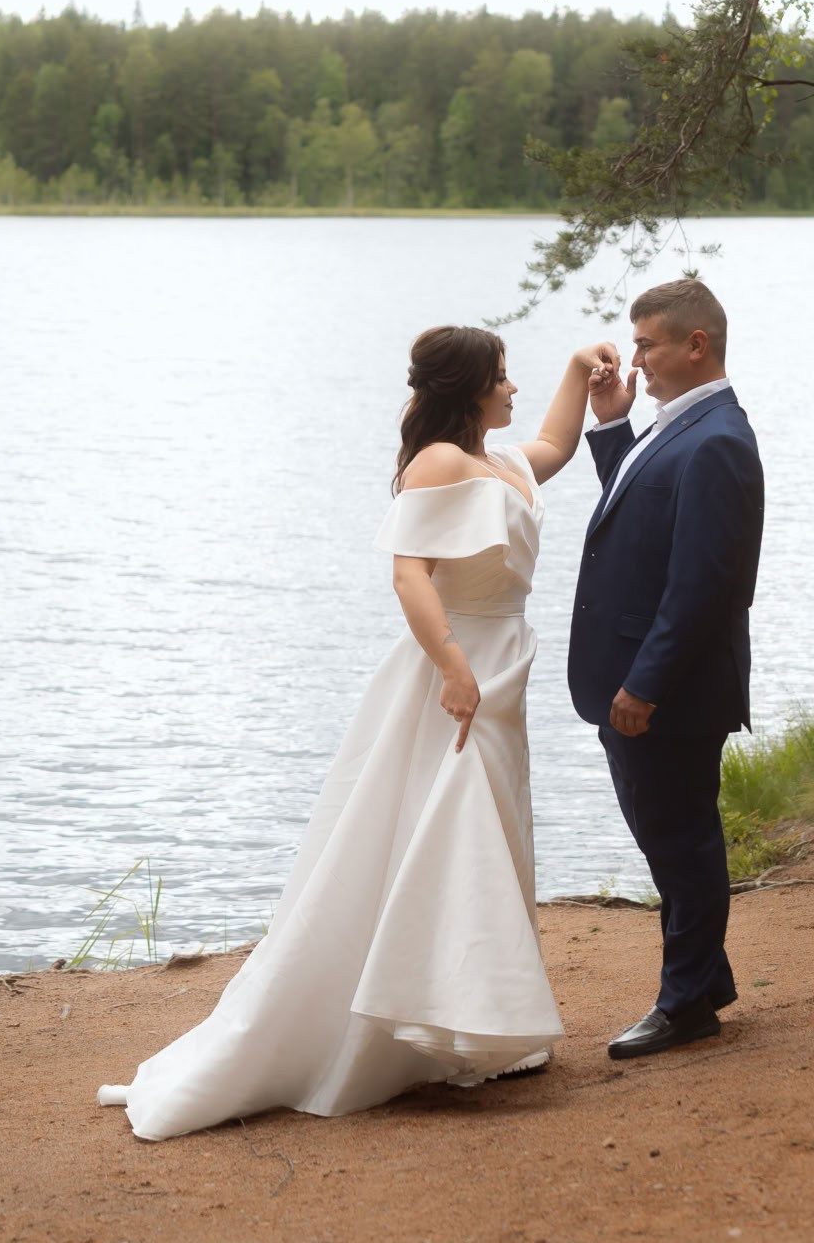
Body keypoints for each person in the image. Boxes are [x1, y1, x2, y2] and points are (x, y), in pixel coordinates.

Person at [96, 326, 618, 1141]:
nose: (513, 388)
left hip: (504, 668)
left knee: (488, 831)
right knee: (452, 832)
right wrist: (451, 664)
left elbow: (554, 443)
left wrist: (580, 371)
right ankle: (425, 1024)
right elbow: (409, 574)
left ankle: (471, 1023)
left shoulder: (500, 462)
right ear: (470, 389)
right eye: (503, 376)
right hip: (458, 672)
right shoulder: (438, 463)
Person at [569, 278, 765, 1060]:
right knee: (667, 838)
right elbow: (642, 514)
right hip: (640, 681)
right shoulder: (676, 424)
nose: (635, 358)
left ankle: (685, 1005)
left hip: (670, 691)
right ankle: (704, 978)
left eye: (646, 344)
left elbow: (704, 585)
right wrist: (612, 426)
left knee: (682, 843)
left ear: (696, 344)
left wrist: (645, 684)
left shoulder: (718, 440)